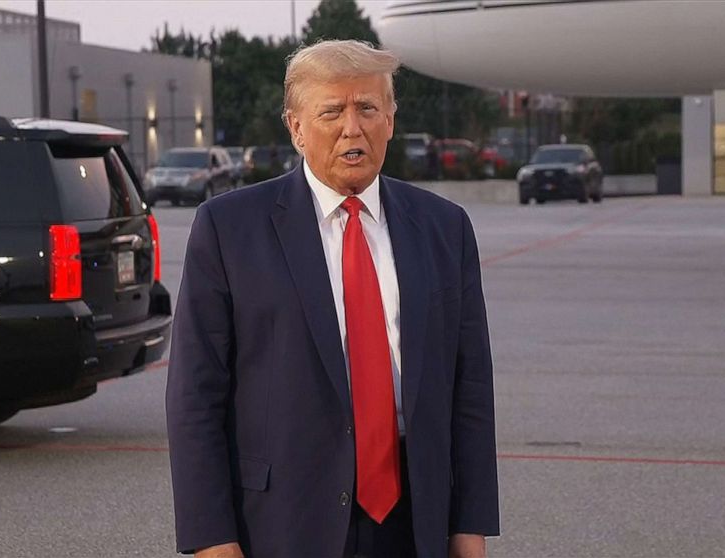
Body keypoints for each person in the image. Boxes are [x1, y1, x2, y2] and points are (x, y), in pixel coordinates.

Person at [166, 40, 499, 558]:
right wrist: (212, 537)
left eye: (367, 107)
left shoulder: (444, 228)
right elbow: (194, 396)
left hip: (414, 521)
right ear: (296, 127)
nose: (353, 127)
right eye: (332, 111)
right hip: (282, 523)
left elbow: (470, 388)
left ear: (390, 118)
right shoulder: (229, 229)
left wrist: (470, 527)